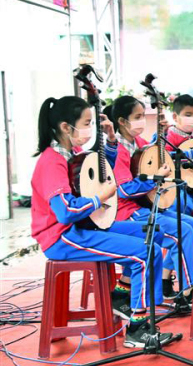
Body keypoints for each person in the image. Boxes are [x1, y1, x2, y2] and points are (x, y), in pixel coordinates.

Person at [31, 96, 174, 348]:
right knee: (144, 252)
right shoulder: (52, 161)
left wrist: (110, 141)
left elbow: (96, 172)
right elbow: (65, 212)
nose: (90, 128)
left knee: (152, 233)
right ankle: (137, 329)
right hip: (62, 236)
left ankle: (121, 294)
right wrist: (101, 198)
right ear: (66, 127)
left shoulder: (72, 154)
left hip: (84, 226)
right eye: (87, 123)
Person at [106, 96, 193, 311]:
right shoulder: (118, 150)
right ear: (122, 121)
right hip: (126, 211)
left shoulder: (138, 143)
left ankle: (156, 282)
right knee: (182, 231)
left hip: (143, 206)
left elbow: (156, 159)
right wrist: (154, 179)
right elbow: (123, 190)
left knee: (192, 224)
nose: (141, 121)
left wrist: (161, 138)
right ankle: (187, 291)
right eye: (137, 117)